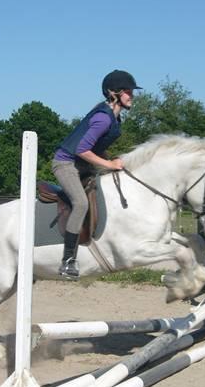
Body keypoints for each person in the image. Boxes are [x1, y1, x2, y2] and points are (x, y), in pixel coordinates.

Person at [52, 69, 142, 279]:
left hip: (82, 165)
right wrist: (109, 164)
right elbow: (82, 149)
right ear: (114, 94)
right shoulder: (103, 118)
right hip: (65, 164)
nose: (132, 95)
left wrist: (113, 161)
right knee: (81, 203)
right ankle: (67, 261)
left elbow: (96, 149)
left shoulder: (114, 119)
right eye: (128, 91)